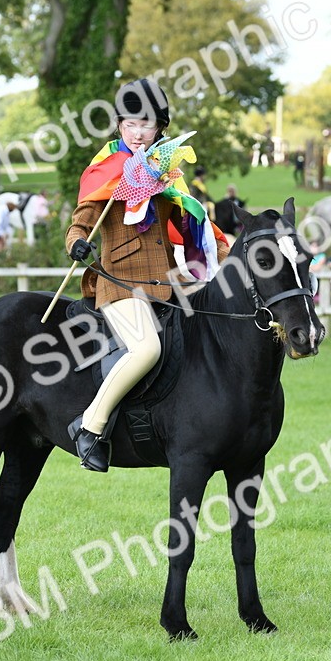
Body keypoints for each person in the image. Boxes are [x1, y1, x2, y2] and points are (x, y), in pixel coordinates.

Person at [64, 77, 230, 472]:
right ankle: (89, 427)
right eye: (130, 125)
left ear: (161, 129)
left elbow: (192, 220)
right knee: (147, 349)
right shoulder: (108, 169)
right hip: (119, 285)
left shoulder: (165, 172)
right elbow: (80, 222)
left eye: (147, 125)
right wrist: (77, 244)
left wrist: (227, 251)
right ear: (119, 126)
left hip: (167, 284)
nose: (138, 133)